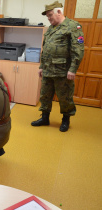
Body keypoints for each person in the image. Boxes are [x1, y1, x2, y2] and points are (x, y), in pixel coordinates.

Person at [31, 1, 84, 132]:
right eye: (47, 16)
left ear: (59, 12)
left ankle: (65, 120)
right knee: (45, 95)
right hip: (48, 69)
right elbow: (45, 49)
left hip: (63, 71)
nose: (48, 18)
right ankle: (44, 118)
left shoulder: (73, 26)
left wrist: (73, 69)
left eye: (50, 15)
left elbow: (78, 50)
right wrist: (42, 66)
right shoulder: (51, 28)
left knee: (65, 97)